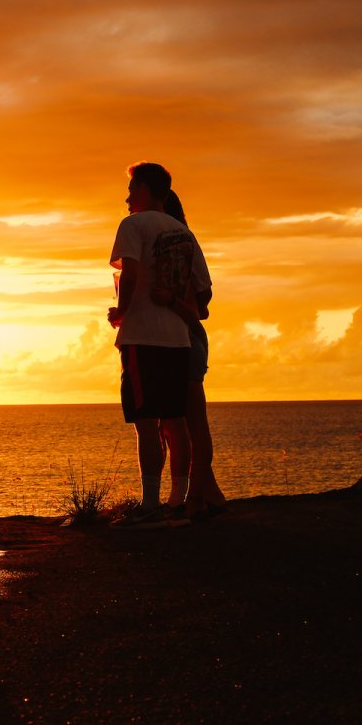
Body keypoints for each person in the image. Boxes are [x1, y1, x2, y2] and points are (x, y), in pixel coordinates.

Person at [106, 163, 211, 529]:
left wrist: (120, 311)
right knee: (176, 422)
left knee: (146, 424)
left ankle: (150, 504)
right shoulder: (185, 234)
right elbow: (201, 292)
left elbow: (130, 272)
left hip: (143, 335)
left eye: (133, 190)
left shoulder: (133, 225)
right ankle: (177, 500)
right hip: (177, 338)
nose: (127, 197)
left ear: (148, 190)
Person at [160, 192, 227, 520]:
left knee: (190, 424)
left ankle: (197, 497)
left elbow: (203, 304)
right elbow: (205, 299)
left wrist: (174, 302)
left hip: (184, 339)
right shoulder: (178, 242)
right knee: (174, 426)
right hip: (176, 339)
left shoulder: (183, 244)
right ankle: (206, 492)